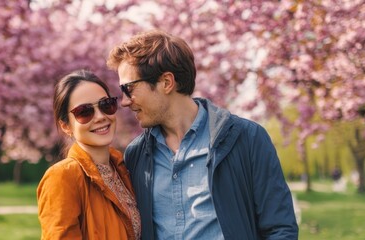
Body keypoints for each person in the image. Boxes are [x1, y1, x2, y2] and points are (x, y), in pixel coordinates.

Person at [107, 30, 298, 239]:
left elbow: (280, 229)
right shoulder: (136, 155)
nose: (125, 101)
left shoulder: (248, 139)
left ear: (166, 82)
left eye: (129, 88)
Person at [37, 70, 141, 239]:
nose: (100, 117)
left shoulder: (124, 169)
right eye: (84, 112)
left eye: (105, 105)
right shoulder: (63, 177)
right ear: (66, 126)